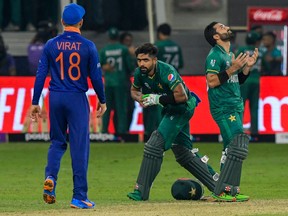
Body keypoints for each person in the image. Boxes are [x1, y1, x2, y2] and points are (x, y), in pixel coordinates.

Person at [29, 3, 106, 209]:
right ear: (81, 22)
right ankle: (79, 196)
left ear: (62, 22)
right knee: (79, 145)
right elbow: (96, 77)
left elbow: (40, 75)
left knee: (57, 142)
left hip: (55, 96)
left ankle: (51, 178)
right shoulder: (88, 45)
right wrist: (102, 99)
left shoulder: (51, 44)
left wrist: (35, 101)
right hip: (76, 98)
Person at [127, 43, 218, 201]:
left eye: (146, 60)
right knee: (183, 152)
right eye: (139, 60)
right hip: (169, 109)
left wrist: (156, 98)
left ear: (155, 60)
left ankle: (140, 191)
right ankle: (219, 187)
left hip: (183, 108)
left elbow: (181, 97)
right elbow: (134, 91)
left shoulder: (167, 71)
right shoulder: (139, 73)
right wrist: (140, 99)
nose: (142, 63)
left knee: (154, 145)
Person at [204, 22, 259, 202]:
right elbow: (212, 81)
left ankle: (232, 189)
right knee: (235, 145)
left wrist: (247, 67)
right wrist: (233, 68)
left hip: (235, 104)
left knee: (234, 146)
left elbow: (237, 80)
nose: (227, 27)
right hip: (223, 106)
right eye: (221, 27)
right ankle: (222, 191)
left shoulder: (230, 54)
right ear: (215, 36)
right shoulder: (214, 55)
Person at [100, 27, 134, 134]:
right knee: (121, 109)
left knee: (106, 109)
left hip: (109, 82)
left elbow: (100, 65)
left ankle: (104, 132)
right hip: (121, 82)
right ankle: (122, 132)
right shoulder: (124, 49)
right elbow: (130, 67)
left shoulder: (104, 50)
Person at [237, 31, 262, 135]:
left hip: (244, 81)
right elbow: (267, 65)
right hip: (256, 80)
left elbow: (236, 63)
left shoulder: (242, 50)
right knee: (254, 107)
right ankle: (255, 132)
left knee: (240, 106)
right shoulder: (259, 51)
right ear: (256, 41)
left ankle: (238, 131)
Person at [119, 31, 137, 131]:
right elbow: (131, 68)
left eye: (130, 41)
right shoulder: (125, 53)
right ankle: (120, 131)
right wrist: (132, 57)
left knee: (130, 107)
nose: (128, 44)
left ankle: (126, 131)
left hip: (127, 83)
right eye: (126, 41)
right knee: (121, 109)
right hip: (123, 83)